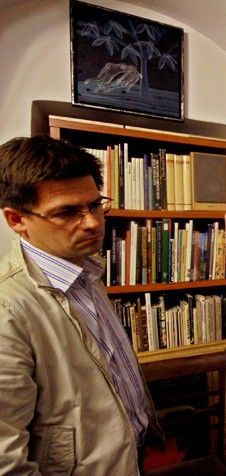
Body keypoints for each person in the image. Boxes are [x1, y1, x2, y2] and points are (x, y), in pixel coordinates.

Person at [0, 136, 161, 474]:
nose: (92, 223)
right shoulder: (8, 309)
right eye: (66, 212)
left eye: (95, 205)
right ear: (16, 219)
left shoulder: (85, 269)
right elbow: (6, 461)